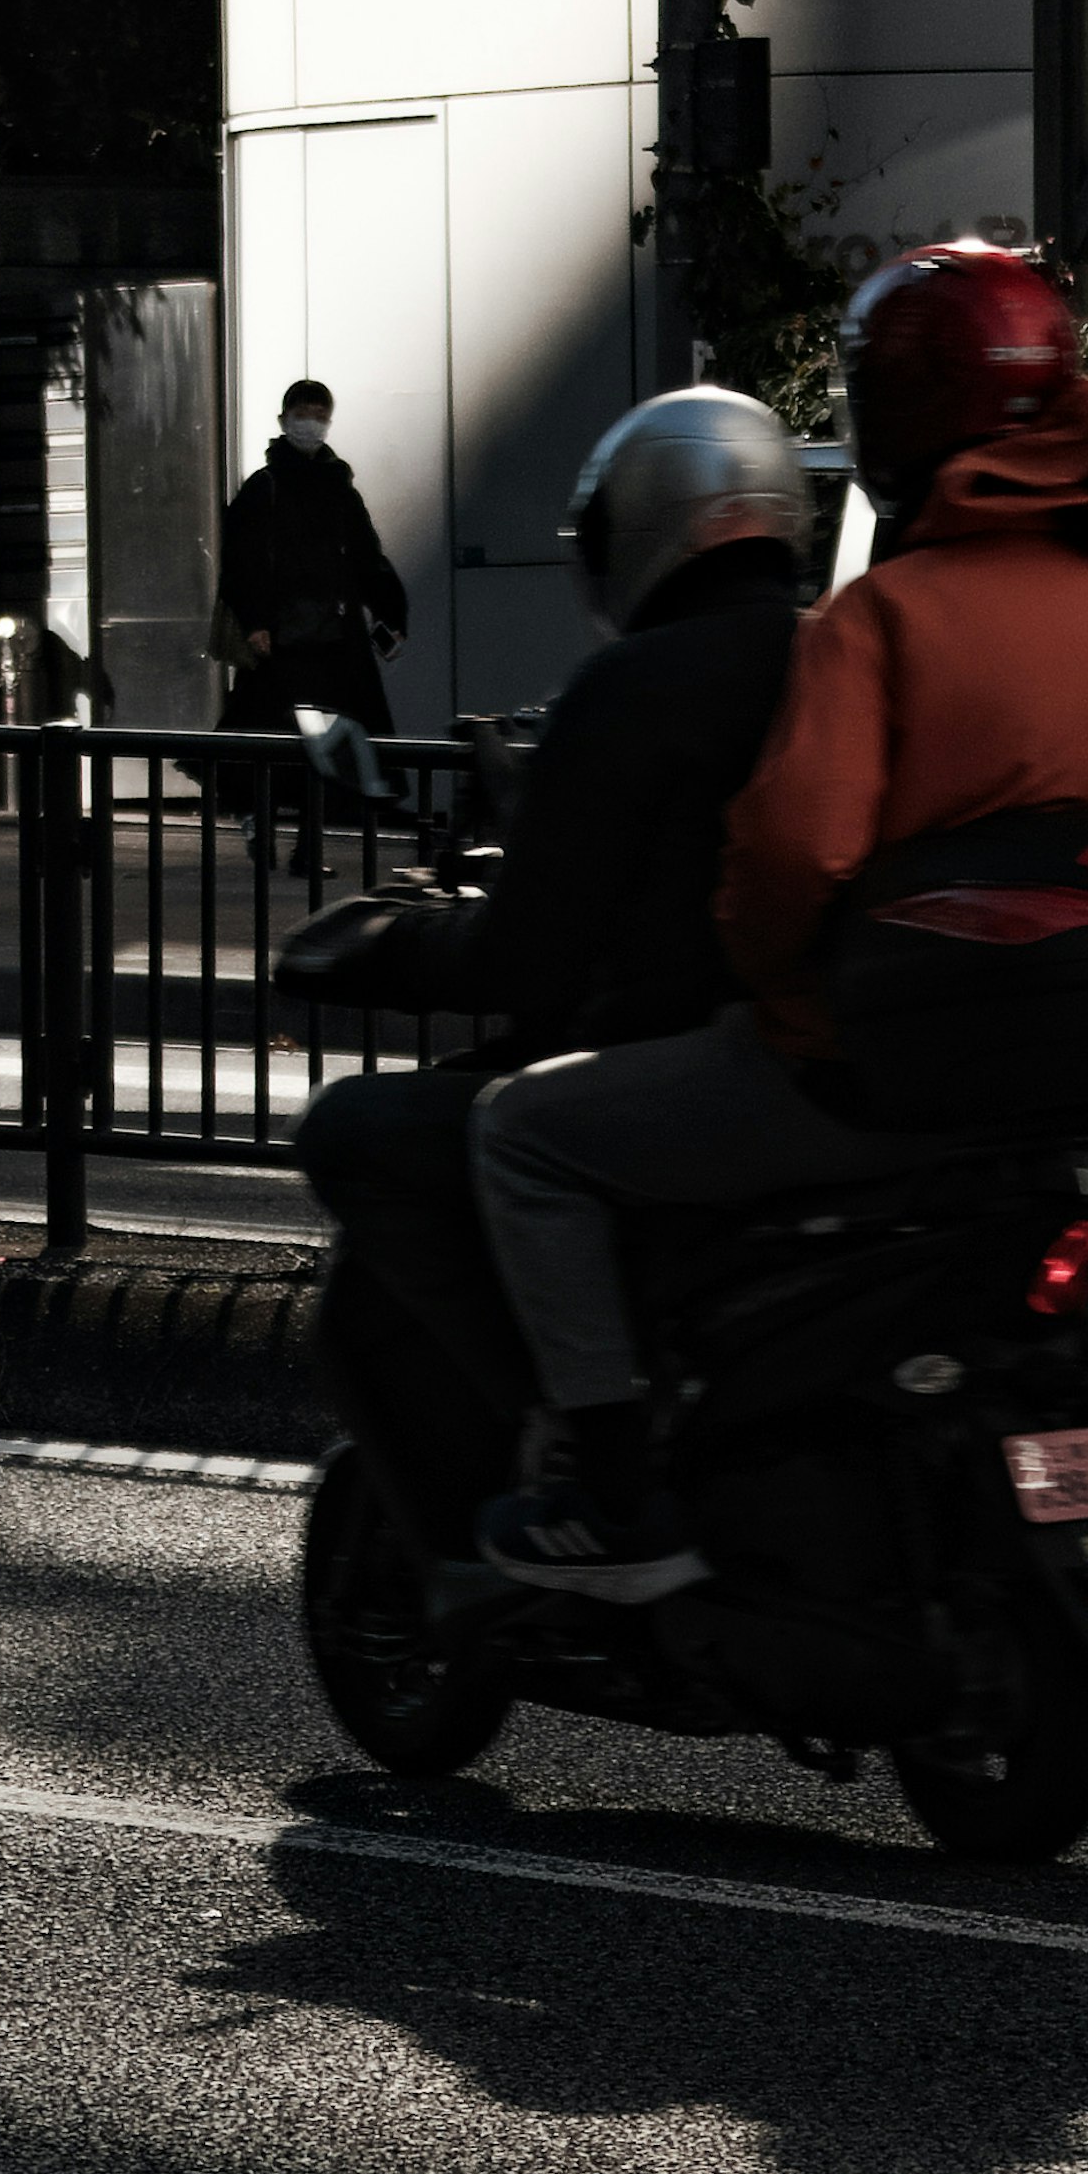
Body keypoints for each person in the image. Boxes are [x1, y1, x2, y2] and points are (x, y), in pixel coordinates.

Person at [467, 245, 1088, 1597]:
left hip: (866, 1085)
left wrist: (774, 988)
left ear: (891, 422)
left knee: (526, 1138)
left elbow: (792, 859)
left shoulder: (877, 623)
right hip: (1071, 1124)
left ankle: (617, 1501)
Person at [294, 388, 810, 1557]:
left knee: (368, 1130)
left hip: (688, 1068)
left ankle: (587, 1440)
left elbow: (531, 956)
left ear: (638, 527)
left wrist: (390, 940)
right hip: (831, 1064)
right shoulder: (845, 659)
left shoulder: (630, 687)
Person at [216, 381, 406, 738]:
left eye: (320, 416)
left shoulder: (338, 487)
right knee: (291, 735)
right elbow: (242, 560)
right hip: (285, 637)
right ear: (283, 419)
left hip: (332, 637)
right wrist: (255, 621)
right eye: (302, 414)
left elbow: (365, 556)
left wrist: (390, 613)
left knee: (322, 735)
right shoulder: (265, 487)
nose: (311, 424)